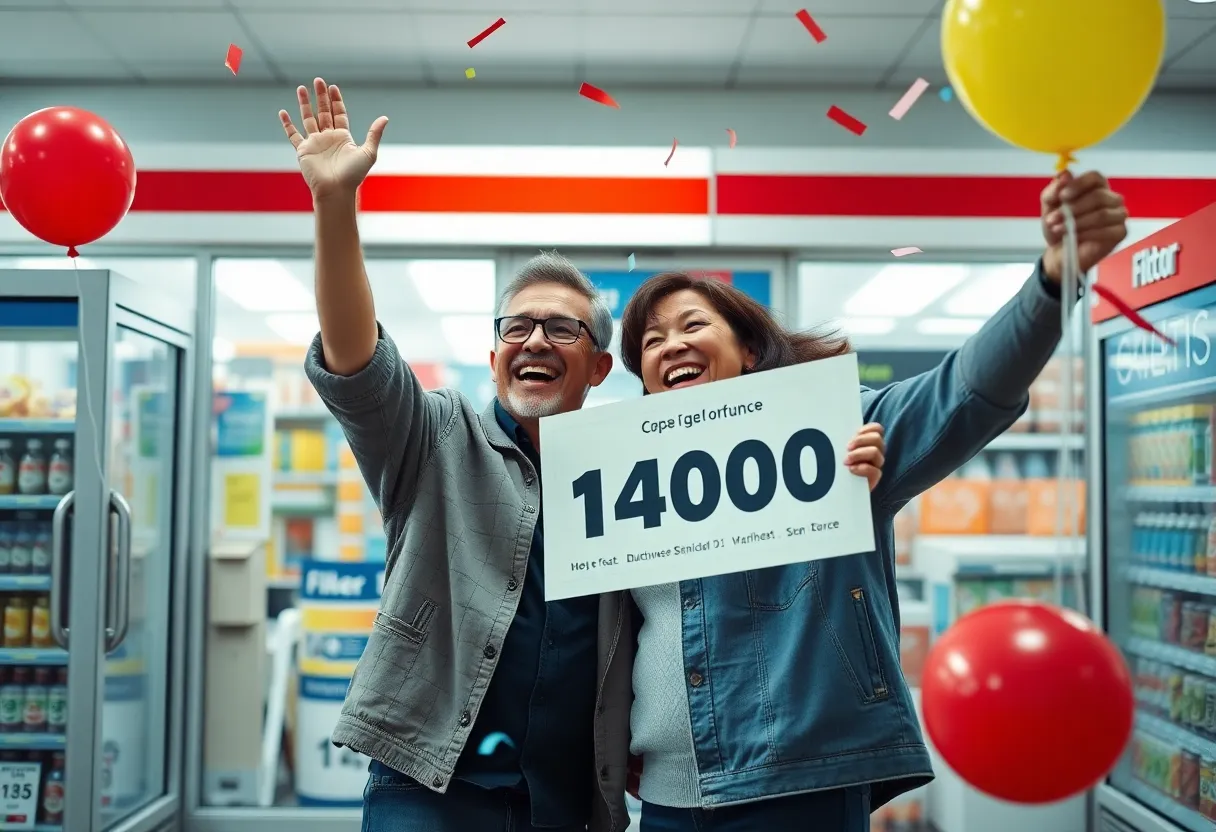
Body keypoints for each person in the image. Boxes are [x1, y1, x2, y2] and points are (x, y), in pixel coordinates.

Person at [278, 77, 889, 831]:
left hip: (570, 796)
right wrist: (335, 206)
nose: (535, 340)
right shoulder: (433, 438)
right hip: (431, 783)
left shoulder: (636, 468)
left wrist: (839, 461)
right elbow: (356, 360)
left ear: (599, 367)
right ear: (496, 354)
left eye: (562, 330)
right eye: (517, 328)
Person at [606, 170, 1128, 831]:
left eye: (691, 325)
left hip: (800, 787)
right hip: (666, 799)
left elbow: (963, 392)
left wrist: (1053, 282)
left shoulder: (837, 436)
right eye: (652, 341)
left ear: (745, 348)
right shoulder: (626, 485)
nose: (672, 344)